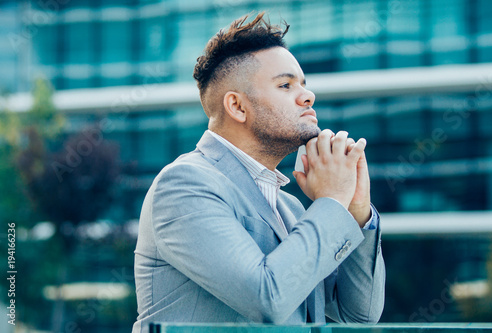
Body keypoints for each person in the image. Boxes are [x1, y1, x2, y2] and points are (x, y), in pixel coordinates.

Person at [132, 12, 385, 333]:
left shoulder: (292, 209)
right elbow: (266, 299)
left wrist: (356, 212)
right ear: (237, 106)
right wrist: (333, 201)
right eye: (285, 84)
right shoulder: (184, 184)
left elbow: (359, 317)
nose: (308, 96)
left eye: (304, 84)